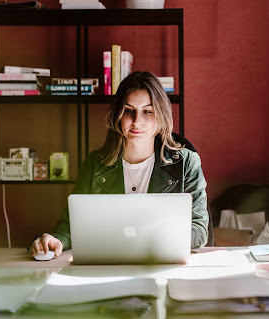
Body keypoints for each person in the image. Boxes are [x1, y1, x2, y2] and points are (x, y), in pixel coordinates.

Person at [30, 71, 209, 257]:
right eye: (129, 110)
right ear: (118, 114)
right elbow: (72, 224)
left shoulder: (187, 163)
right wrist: (57, 238)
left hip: (161, 263)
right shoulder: (95, 164)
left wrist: (148, 238)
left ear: (161, 115)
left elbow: (199, 230)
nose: (136, 121)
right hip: (109, 262)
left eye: (148, 111)